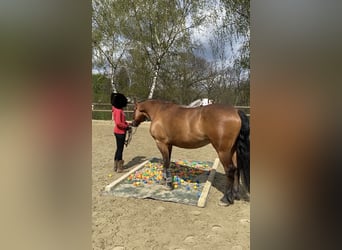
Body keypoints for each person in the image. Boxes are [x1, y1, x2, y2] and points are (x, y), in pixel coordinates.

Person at [111, 92, 130, 173]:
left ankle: (115, 165)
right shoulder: (118, 111)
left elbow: (122, 121)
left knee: (118, 148)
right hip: (120, 132)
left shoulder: (118, 109)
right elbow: (118, 123)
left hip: (119, 131)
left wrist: (127, 124)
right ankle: (119, 167)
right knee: (120, 149)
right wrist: (126, 127)